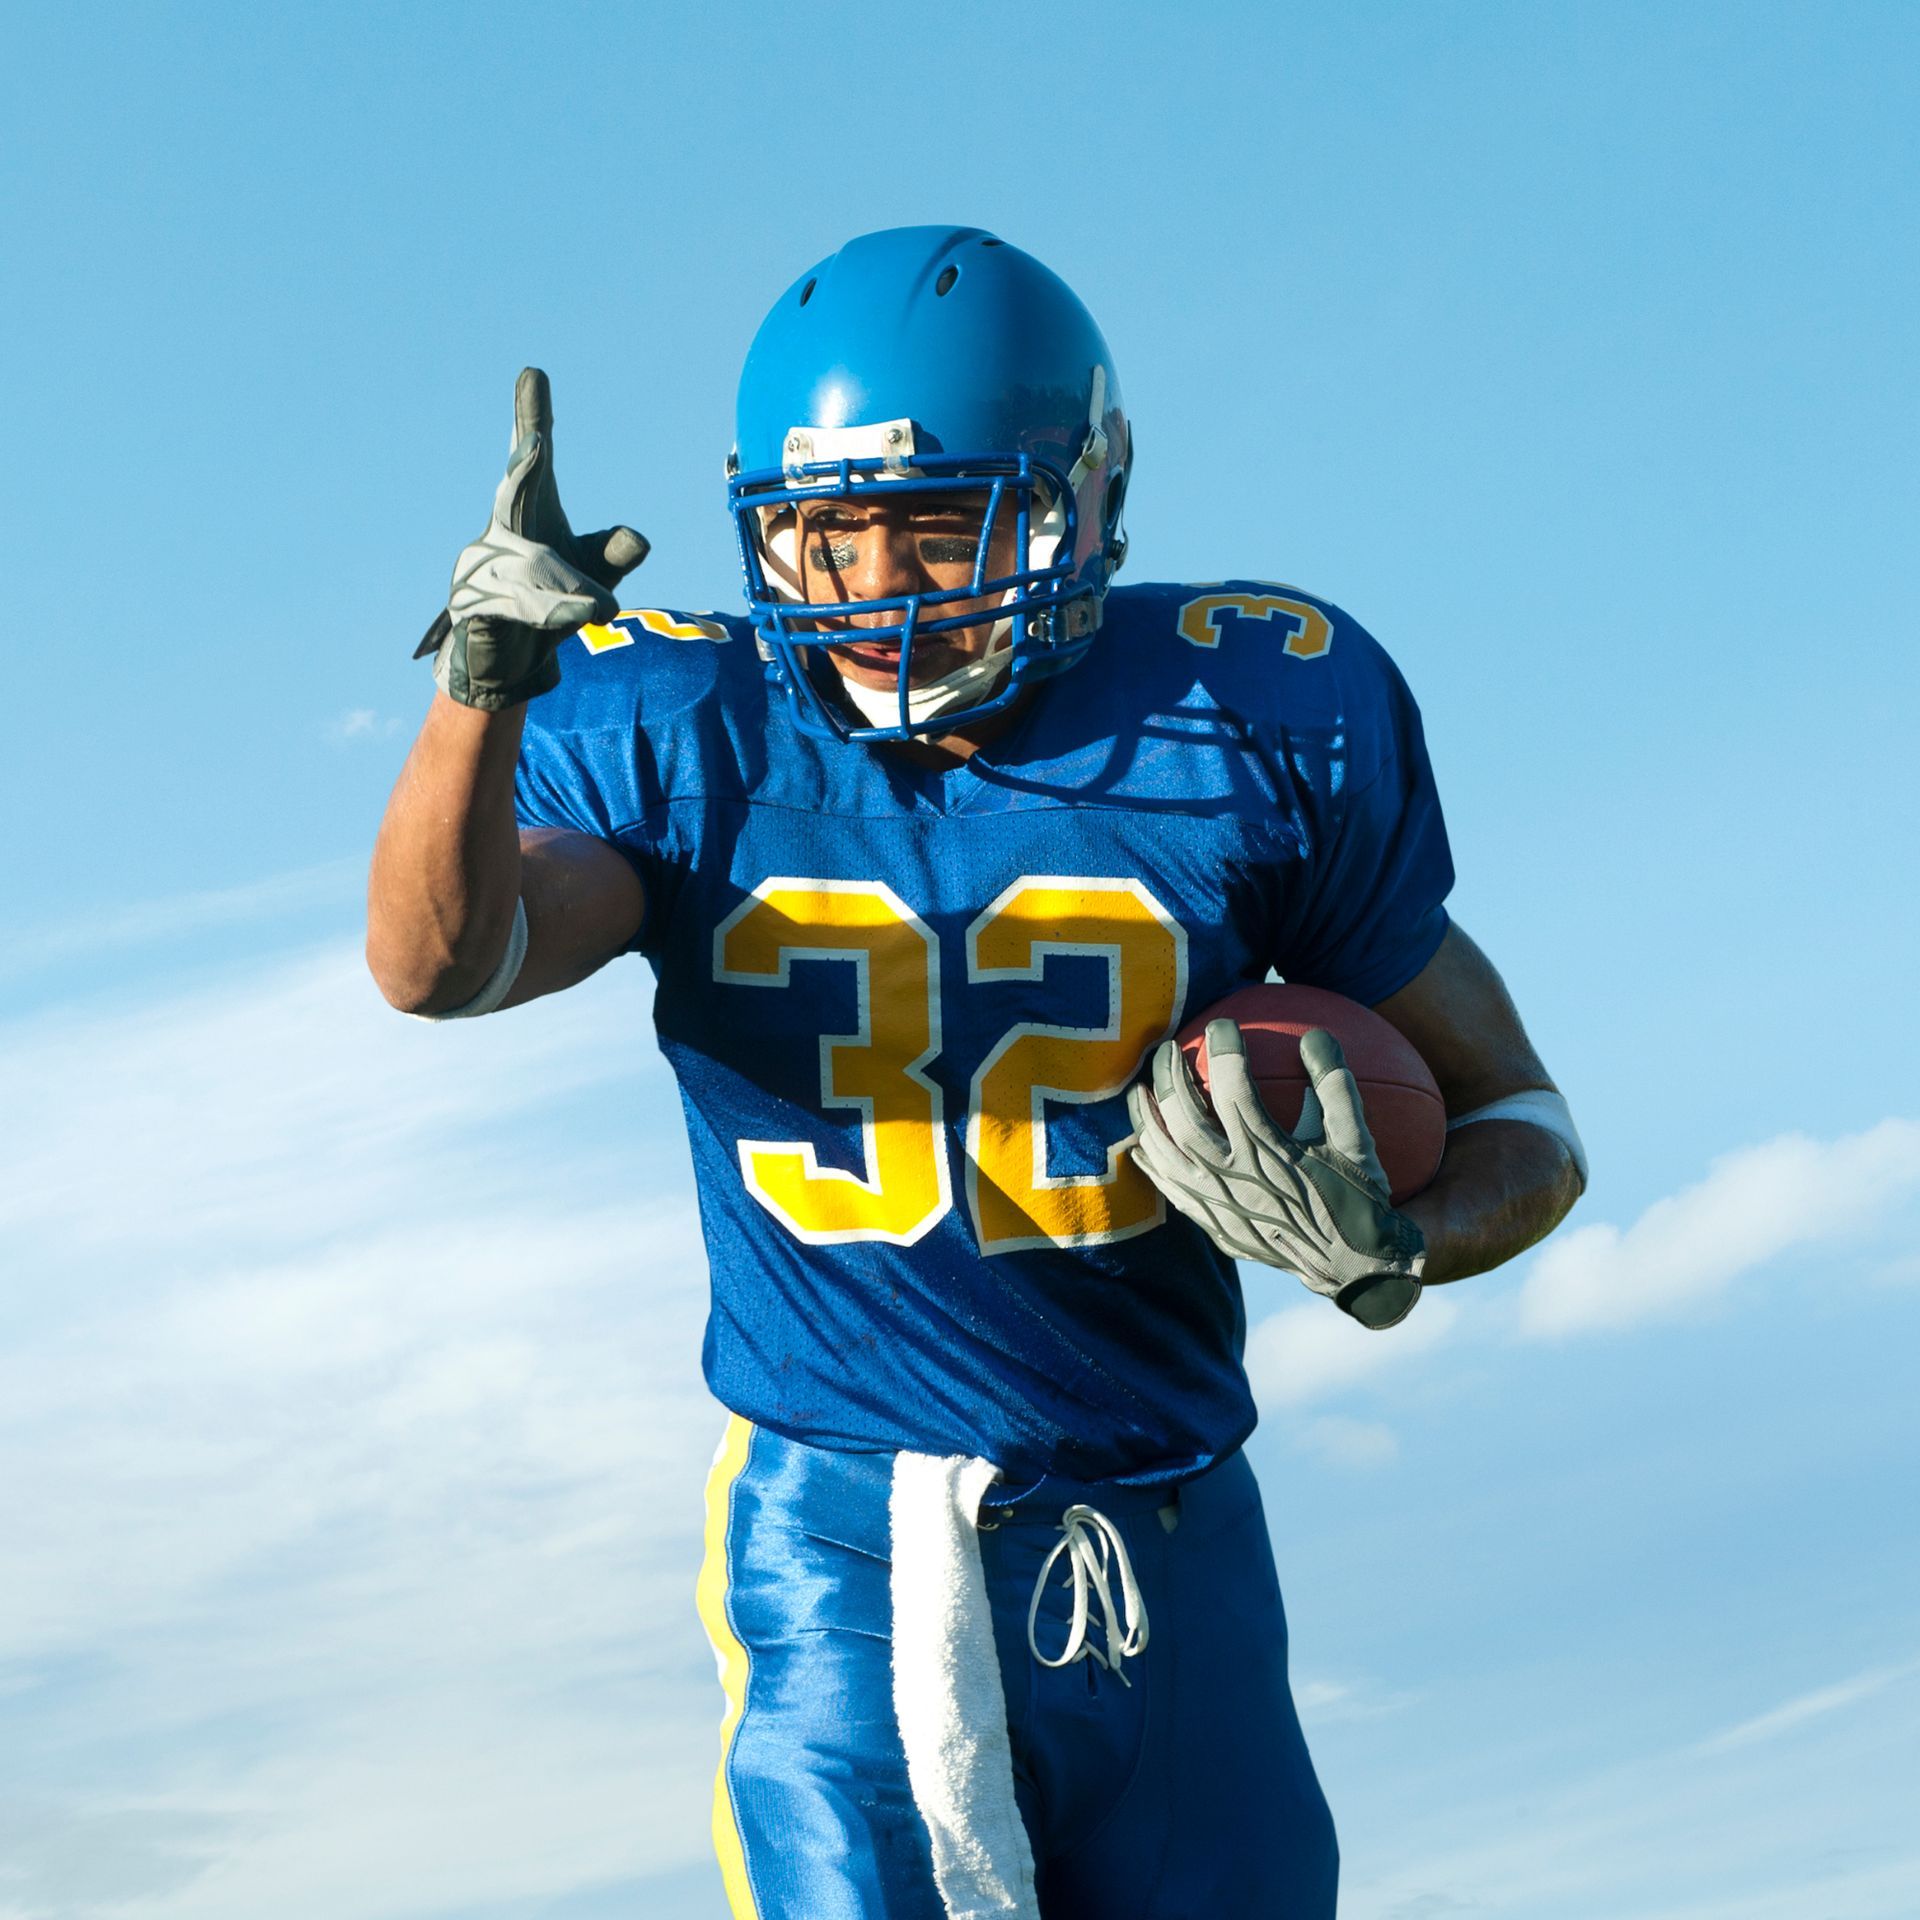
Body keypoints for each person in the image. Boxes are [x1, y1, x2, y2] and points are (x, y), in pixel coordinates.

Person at [368, 225, 1587, 1920]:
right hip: (854, 1535)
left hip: (1176, 1526)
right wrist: (478, 706)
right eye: (827, 532)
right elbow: (445, 966)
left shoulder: (1252, 715)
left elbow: (1526, 1125)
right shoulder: (682, 723)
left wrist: (1404, 1246)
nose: (887, 587)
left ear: (1086, 498)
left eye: (942, 521)